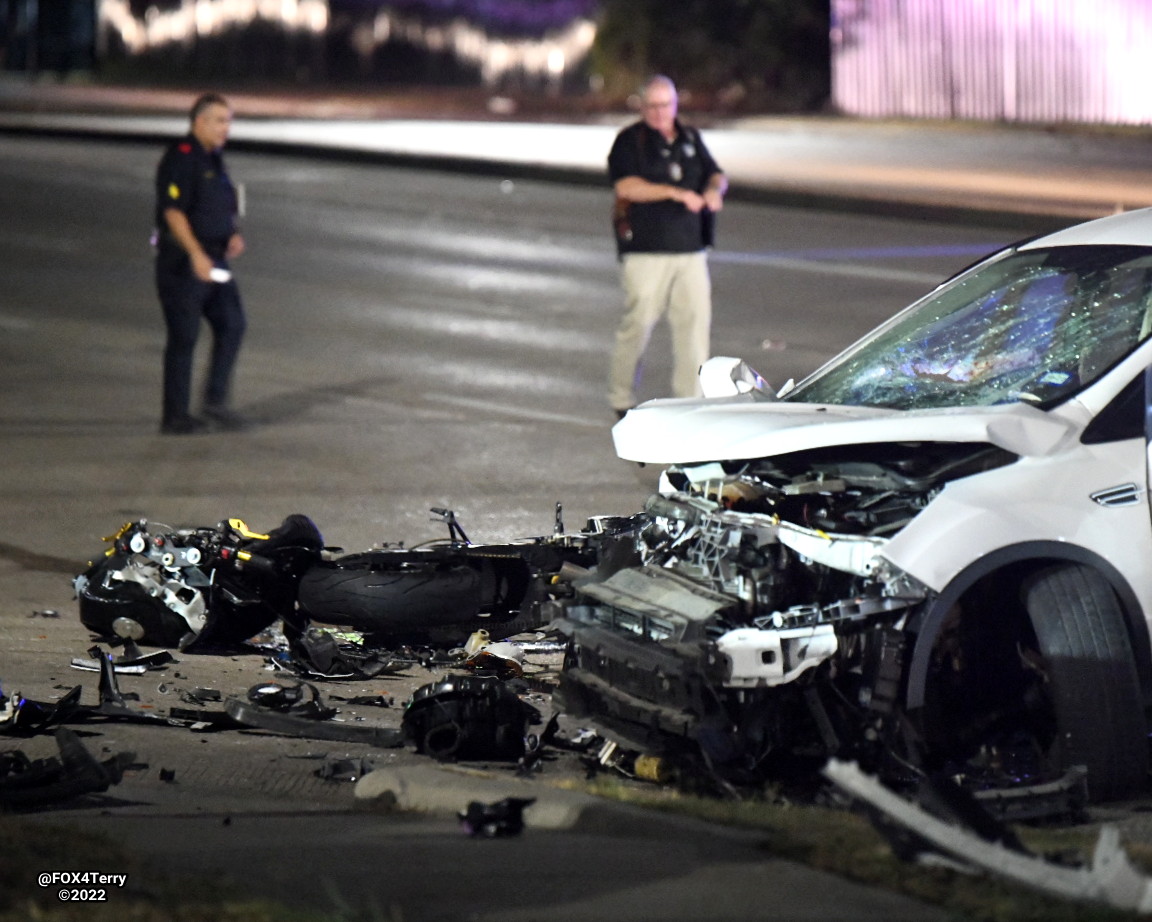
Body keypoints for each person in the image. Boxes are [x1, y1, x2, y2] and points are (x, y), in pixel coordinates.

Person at [607, 74, 727, 418]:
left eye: (667, 105)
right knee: (639, 323)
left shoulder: (689, 137)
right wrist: (675, 193)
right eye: (654, 105)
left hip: (690, 249)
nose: (661, 112)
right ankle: (621, 397)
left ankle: (691, 402)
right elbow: (626, 187)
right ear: (642, 106)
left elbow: (715, 173)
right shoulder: (630, 142)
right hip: (646, 250)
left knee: (694, 328)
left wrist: (714, 191)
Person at [154, 93, 248, 434]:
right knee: (184, 336)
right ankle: (175, 416)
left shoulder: (214, 159)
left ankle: (215, 401)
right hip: (184, 263)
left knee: (233, 323)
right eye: (220, 121)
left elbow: (222, 202)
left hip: (216, 261)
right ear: (199, 122)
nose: (227, 128)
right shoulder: (181, 158)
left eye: (229, 121)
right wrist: (195, 253)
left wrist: (232, 232)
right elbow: (173, 212)